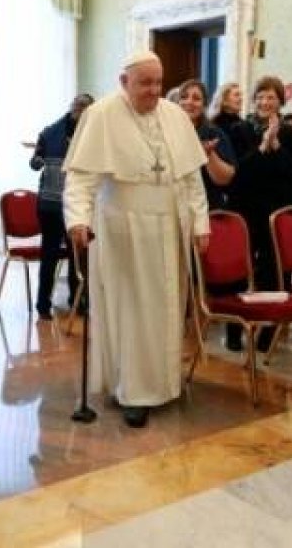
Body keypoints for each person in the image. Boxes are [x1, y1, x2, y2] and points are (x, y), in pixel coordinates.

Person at [63, 50, 209, 428]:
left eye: (158, 82)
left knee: (165, 309)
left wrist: (200, 224)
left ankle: (164, 385)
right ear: (123, 81)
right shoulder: (101, 116)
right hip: (122, 229)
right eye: (145, 83)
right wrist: (78, 220)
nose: (154, 90)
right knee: (132, 311)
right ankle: (132, 391)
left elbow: (192, 179)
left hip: (169, 228)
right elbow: (80, 179)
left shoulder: (175, 116)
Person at [224, 75, 292, 352]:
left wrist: (276, 144)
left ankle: (268, 331)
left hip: (275, 211)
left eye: (271, 97)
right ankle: (234, 330)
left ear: (280, 101)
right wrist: (261, 146)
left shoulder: (291, 132)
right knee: (239, 271)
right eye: (260, 96)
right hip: (245, 208)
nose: (265, 102)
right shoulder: (239, 130)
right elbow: (239, 172)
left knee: (273, 270)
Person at [29, 93, 94, 321]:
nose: (80, 112)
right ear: (72, 108)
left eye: (85, 109)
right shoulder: (51, 131)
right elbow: (34, 162)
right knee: (50, 254)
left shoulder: (93, 134)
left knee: (79, 255)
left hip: (79, 207)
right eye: (77, 107)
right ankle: (43, 304)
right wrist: (38, 159)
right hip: (51, 204)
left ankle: (77, 302)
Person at [177, 78, 236, 210]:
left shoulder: (213, 133)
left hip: (207, 209)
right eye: (184, 97)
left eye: (196, 98)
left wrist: (209, 155)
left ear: (204, 105)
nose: (189, 102)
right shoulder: (168, 130)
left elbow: (225, 178)